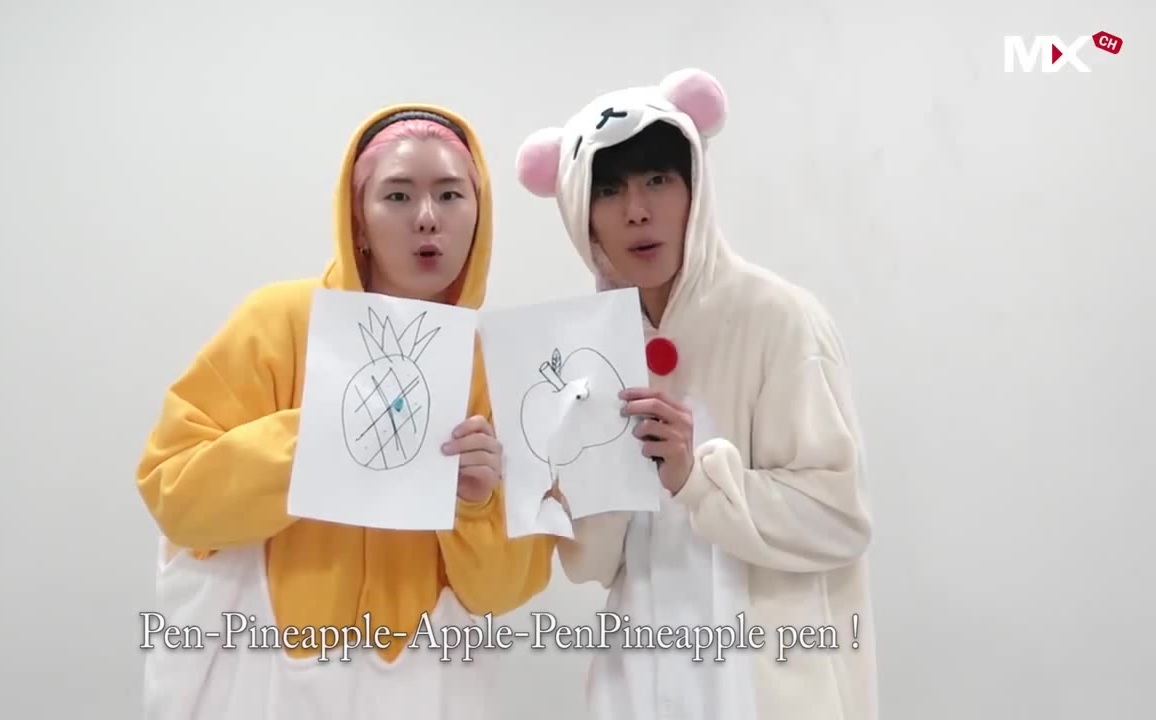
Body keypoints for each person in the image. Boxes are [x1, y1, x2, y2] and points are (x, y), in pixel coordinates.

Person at [136, 105, 556, 719]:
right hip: (262, 678)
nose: (427, 217)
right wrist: (315, 433)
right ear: (358, 218)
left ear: (479, 214)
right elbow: (174, 494)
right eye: (397, 195)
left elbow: (504, 592)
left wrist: (475, 505)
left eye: (450, 194)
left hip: (424, 687)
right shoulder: (279, 321)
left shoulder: (496, 367)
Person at [515, 69, 878, 719]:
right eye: (609, 189)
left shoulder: (781, 321)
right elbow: (593, 565)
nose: (637, 210)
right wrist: (562, 481)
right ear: (580, 215)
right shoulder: (586, 353)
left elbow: (840, 519)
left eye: (659, 179)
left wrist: (697, 478)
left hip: (765, 691)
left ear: (696, 188)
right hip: (639, 688)